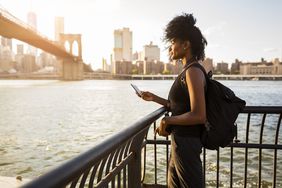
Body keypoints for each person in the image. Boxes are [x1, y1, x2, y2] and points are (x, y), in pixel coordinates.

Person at [139, 13, 207, 188]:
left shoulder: (193, 71)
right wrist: (155, 98)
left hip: (187, 143)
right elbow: (179, 106)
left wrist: (167, 120)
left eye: (173, 42)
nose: (170, 47)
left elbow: (199, 115)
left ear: (186, 45)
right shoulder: (188, 71)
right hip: (180, 142)